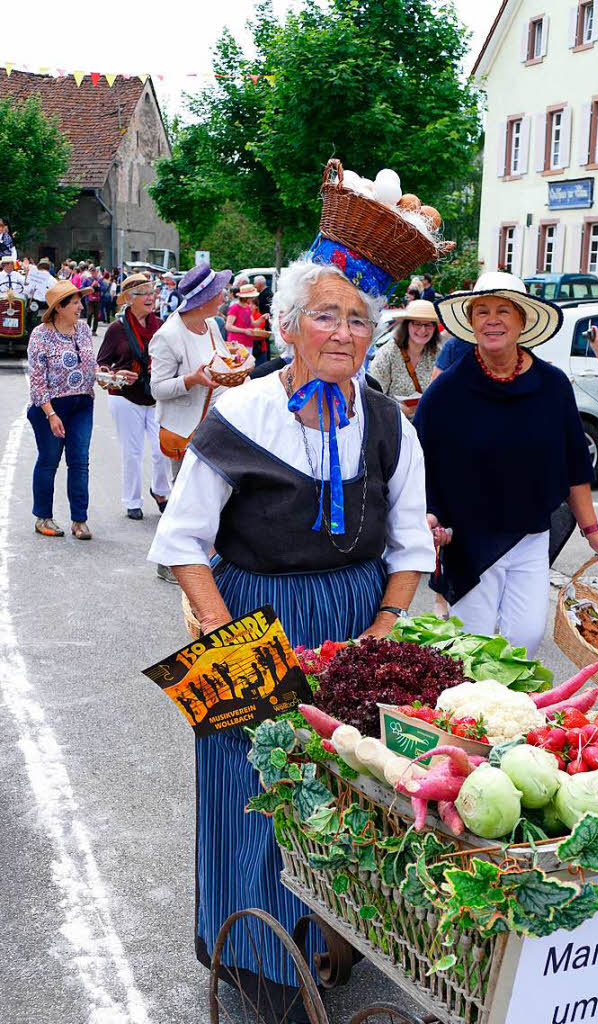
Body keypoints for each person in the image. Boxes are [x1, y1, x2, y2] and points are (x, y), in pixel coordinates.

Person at [148, 234, 435, 1017]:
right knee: (251, 785)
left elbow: (410, 540)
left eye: (357, 318)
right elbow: (182, 543)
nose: (344, 332)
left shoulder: (386, 423)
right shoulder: (242, 411)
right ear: (285, 328)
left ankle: (328, 936)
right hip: (251, 615)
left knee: (345, 787)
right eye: (325, 316)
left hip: (355, 622)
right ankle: (251, 956)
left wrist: (382, 629)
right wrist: (226, 636)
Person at [415, 271, 598, 656]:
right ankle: (474, 716)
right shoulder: (448, 392)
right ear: (471, 322)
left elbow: (575, 466)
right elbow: (420, 461)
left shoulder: (553, 386)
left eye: (503, 310)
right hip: (470, 538)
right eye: (481, 312)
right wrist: (430, 515)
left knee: (526, 636)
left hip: (530, 534)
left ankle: (508, 711)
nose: (491, 320)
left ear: (522, 321)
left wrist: (593, 531)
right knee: (474, 647)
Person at [148, 261, 232, 495]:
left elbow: (222, 363)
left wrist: (237, 362)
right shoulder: (168, 336)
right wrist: (191, 380)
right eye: (219, 293)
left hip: (216, 427)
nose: (223, 298)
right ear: (203, 300)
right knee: (189, 497)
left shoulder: (211, 325)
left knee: (215, 495)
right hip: (187, 433)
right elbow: (157, 389)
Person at [96, 273, 171, 521]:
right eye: (144, 294)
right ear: (130, 299)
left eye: (152, 292)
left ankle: (160, 491)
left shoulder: (161, 325)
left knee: (162, 450)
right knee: (133, 451)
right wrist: (118, 373)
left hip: (154, 395)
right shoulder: (117, 329)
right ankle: (132, 501)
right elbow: (102, 365)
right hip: (124, 397)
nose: (151, 298)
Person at [26, 280, 97, 540]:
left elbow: (90, 365)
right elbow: (37, 379)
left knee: (79, 462)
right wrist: (50, 413)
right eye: (75, 302)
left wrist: (108, 375)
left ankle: (80, 520)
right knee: (49, 461)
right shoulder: (40, 334)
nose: (80, 307)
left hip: (82, 404)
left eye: (80, 301)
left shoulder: (83, 330)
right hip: (50, 407)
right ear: (59, 308)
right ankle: (43, 517)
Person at [368, 299, 442, 417]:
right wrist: (397, 408)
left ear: (434, 328)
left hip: (427, 426)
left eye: (428, 325)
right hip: (395, 426)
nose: (422, 330)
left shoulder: (438, 354)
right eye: (417, 323)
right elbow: (372, 396)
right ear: (407, 325)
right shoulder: (388, 353)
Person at [225, 282, 259, 348]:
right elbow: (228, 326)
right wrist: (244, 331)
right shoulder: (234, 307)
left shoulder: (248, 307)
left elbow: (253, 324)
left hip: (248, 342)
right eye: (251, 297)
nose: (253, 299)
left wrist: (262, 318)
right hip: (236, 343)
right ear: (245, 297)